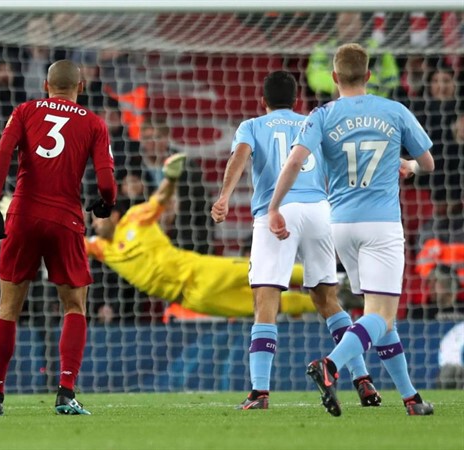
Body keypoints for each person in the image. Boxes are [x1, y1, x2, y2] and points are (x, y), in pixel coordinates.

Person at [268, 43, 435, 417]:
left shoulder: (321, 114)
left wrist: (275, 206)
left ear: (333, 77)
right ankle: (330, 365)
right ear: (370, 75)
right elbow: (429, 162)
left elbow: (296, 160)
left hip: (341, 225)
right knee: (382, 315)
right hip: (381, 225)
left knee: (377, 317)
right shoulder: (394, 110)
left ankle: (411, 398)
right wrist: (409, 165)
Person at [211, 70, 380, 410]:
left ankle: (259, 392)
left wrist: (224, 196)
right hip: (319, 211)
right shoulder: (313, 121)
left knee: (266, 300)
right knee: (327, 299)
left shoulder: (252, 125)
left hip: (277, 213)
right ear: (297, 100)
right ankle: (363, 380)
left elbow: (239, 157)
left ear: (263, 101)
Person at [0, 59, 116, 416]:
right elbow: (105, 180)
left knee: (8, 307)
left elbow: (2, 156)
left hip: (23, 214)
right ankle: (65, 392)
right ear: (81, 87)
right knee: (74, 305)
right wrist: (106, 203)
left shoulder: (24, 111)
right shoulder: (93, 122)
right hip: (65, 219)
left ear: (45, 85)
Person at [87, 156, 315, 318]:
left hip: (199, 271)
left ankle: (331, 278)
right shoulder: (102, 249)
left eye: (97, 218)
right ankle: (325, 303)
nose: (95, 224)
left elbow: (160, 199)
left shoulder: (135, 218)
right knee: (267, 306)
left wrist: (171, 178)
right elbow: (66, 241)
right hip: (190, 299)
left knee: (261, 272)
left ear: (113, 215)